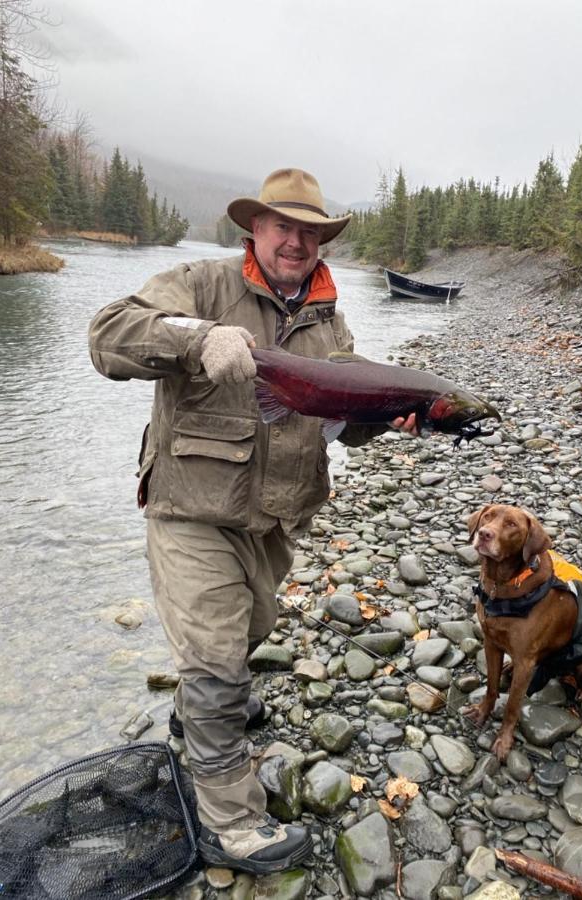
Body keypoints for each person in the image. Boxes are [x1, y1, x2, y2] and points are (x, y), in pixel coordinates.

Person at [88, 168, 417, 874]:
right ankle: (229, 822)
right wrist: (196, 340)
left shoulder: (331, 319)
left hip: (271, 519)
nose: (296, 241)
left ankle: (196, 715)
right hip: (192, 509)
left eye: (309, 231)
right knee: (212, 655)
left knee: (249, 633)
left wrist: (390, 417)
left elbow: (343, 424)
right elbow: (109, 335)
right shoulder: (199, 283)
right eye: (282, 227)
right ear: (254, 231)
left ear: (322, 239)